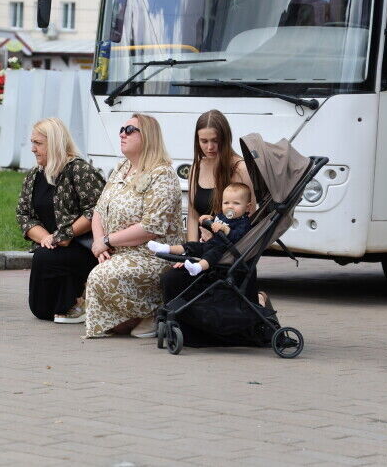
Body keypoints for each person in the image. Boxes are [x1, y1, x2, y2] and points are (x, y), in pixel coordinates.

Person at [84, 114, 183, 338]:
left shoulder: (162, 174)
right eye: (121, 129)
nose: (122, 134)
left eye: (130, 129)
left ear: (147, 136)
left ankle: (153, 310)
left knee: (102, 277)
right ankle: (131, 318)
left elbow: (150, 227)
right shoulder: (122, 167)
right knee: (99, 275)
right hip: (117, 251)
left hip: (151, 255)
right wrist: (100, 244)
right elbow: (99, 209)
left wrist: (107, 241)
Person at [16, 117, 105, 323]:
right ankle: (70, 302)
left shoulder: (79, 170)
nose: (32, 149)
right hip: (53, 245)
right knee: (41, 310)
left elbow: (98, 209)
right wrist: (46, 237)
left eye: (38, 143)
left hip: (84, 246)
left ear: (54, 143)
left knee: (45, 259)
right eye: (32, 143)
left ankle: (77, 300)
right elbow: (23, 214)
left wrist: (65, 234)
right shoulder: (34, 176)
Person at [181, 109, 267, 305]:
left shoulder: (240, 168)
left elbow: (249, 217)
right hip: (204, 248)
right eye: (204, 141)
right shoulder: (196, 167)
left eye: (215, 140)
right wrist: (193, 252)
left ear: (226, 138)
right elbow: (194, 215)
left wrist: (220, 234)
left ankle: (259, 299)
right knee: (173, 278)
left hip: (231, 249)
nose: (210, 147)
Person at [148, 182, 253, 275]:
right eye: (226, 203)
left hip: (223, 251)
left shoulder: (243, 222)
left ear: (247, 207)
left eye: (236, 203)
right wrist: (209, 218)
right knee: (190, 245)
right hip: (209, 244)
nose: (230, 206)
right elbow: (215, 221)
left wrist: (226, 229)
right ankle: (166, 248)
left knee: (212, 254)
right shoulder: (222, 215)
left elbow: (238, 236)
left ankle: (197, 267)